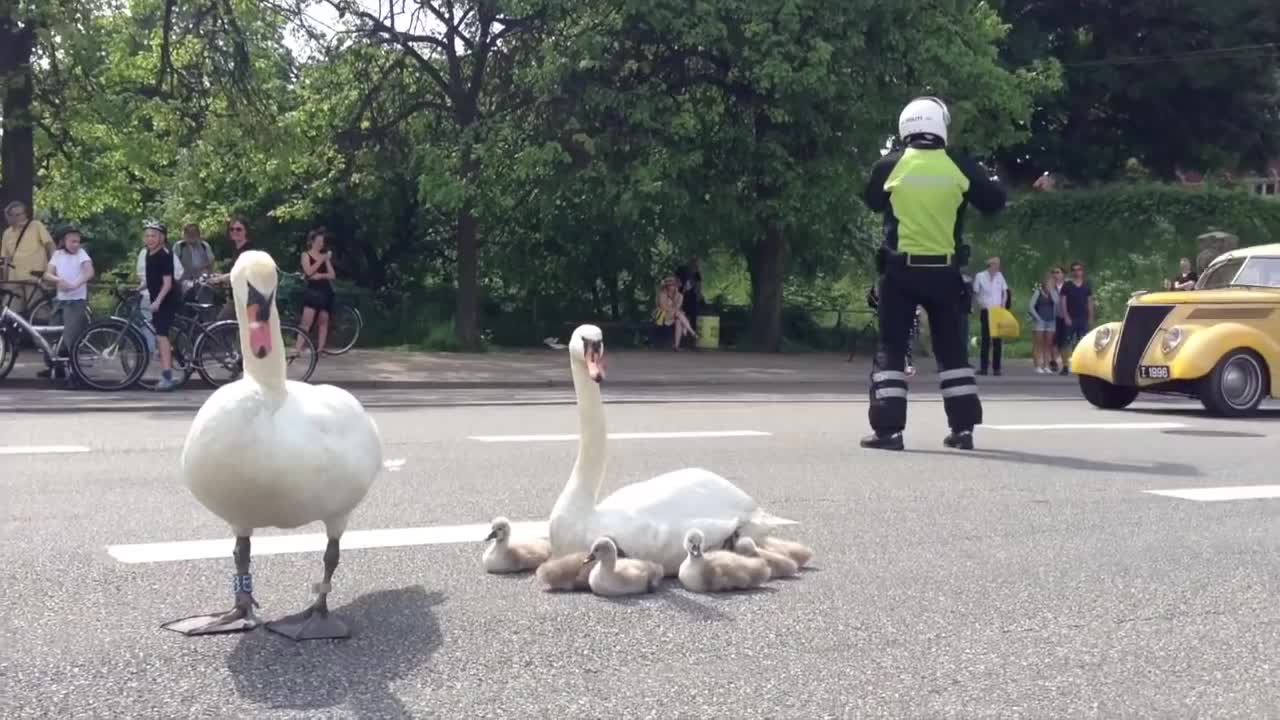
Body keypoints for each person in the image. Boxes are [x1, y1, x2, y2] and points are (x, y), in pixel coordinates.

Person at [859, 95, 1007, 451]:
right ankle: (963, 429)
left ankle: (888, 431)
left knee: (892, 350)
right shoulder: (958, 165)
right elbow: (994, 201)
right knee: (953, 353)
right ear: (940, 124)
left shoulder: (890, 166)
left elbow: (872, 200)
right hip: (946, 274)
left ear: (905, 126)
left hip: (899, 273)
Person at [40, 225, 95, 386]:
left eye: (78, 241)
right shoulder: (57, 255)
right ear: (63, 241)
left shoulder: (82, 254)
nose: (76, 245)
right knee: (54, 332)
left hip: (76, 301)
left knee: (72, 336)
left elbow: (89, 271)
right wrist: (59, 281)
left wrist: (76, 284)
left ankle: (75, 374)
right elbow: (47, 273)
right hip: (61, 300)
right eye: (72, 241)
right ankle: (57, 366)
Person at [142, 221, 181, 391]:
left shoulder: (165, 255)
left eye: (153, 236)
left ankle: (167, 376)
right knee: (161, 334)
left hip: (167, 300)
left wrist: (157, 301)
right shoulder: (148, 254)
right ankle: (172, 365)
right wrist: (138, 288)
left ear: (162, 238)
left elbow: (167, 283)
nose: (150, 239)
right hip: (156, 298)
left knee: (161, 336)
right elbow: (151, 278)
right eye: (148, 236)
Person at [1, 201, 56, 314]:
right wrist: (4, 280)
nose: (16, 218)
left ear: (25, 214)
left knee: (38, 309)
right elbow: (5, 259)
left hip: (35, 277)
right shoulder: (7, 233)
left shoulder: (36, 226)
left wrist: (54, 268)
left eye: (19, 214)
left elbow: (50, 246)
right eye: (12, 215)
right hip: (15, 279)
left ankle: (41, 330)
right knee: (10, 310)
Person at [295, 228, 337, 355]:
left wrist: (321, 275)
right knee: (306, 321)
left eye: (322, 241)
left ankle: (320, 349)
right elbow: (308, 271)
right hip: (312, 290)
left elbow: (332, 275)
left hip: (325, 289)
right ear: (312, 242)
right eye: (319, 241)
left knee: (323, 320)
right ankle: (298, 349)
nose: (321, 244)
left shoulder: (324, 257)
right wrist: (321, 260)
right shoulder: (305, 255)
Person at [973, 256, 1010, 375]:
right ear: (990, 265)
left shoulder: (1000, 276)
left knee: (997, 340)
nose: (997, 267)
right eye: (995, 264)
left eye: (998, 265)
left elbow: (1005, 291)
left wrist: (1003, 305)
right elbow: (976, 292)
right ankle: (984, 368)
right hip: (986, 310)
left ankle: (996, 368)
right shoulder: (980, 276)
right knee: (985, 339)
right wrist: (981, 303)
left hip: (998, 310)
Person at [1058, 261, 1094, 375]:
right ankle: (1064, 366)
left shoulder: (1086, 285)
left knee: (1082, 343)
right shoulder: (1067, 285)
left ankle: (1080, 366)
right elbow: (1063, 301)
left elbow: (1090, 302)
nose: (1076, 271)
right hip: (1071, 318)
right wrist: (1066, 316)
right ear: (1071, 271)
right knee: (1065, 342)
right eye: (1074, 269)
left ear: (1082, 271)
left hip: (1083, 318)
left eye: (1078, 269)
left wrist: (1091, 317)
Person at [1027, 271, 1061, 374]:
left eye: (1053, 282)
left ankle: (1046, 365)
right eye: (1049, 281)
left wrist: (1052, 292)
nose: (1051, 283)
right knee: (1038, 344)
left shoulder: (1054, 292)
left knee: (1048, 344)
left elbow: (1057, 304)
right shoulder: (1038, 291)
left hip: (1051, 321)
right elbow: (1031, 306)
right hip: (1040, 321)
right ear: (1045, 282)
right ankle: (1037, 365)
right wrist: (1037, 317)